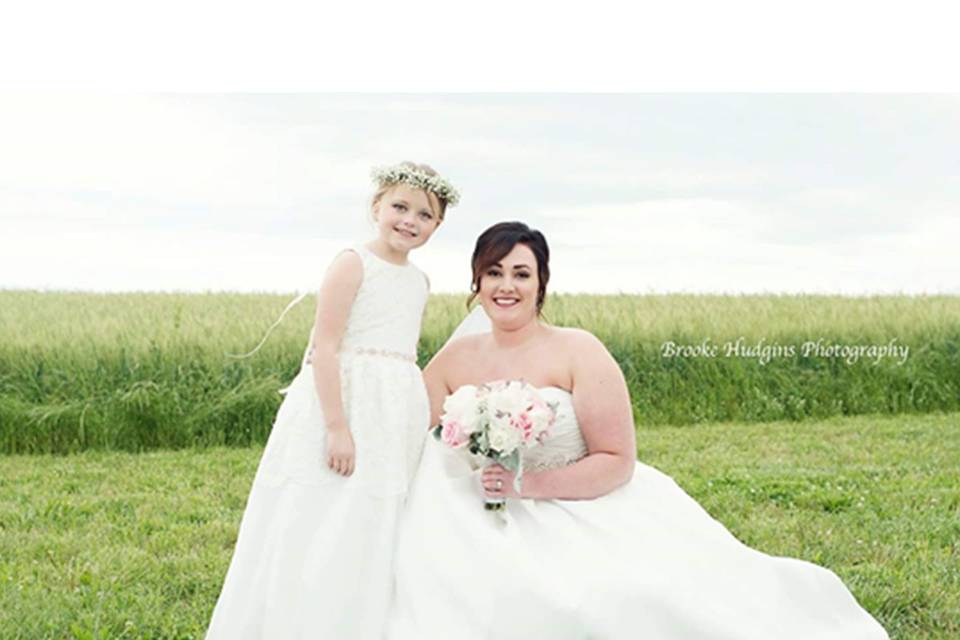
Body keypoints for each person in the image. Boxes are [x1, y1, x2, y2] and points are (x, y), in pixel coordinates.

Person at [386, 221, 889, 639]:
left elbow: (615, 459)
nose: (507, 286)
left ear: (542, 283)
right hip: (485, 509)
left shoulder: (578, 350)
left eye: (522, 273)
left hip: (582, 503)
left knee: (622, 597)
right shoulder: (455, 358)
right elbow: (405, 428)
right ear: (476, 282)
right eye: (493, 272)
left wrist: (527, 485)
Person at [205, 162, 459, 639]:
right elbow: (324, 347)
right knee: (323, 508)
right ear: (376, 207)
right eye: (399, 207)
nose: (409, 221)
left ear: (437, 225)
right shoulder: (352, 262)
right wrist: (337, 426)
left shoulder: (419, 282)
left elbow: (401, 355)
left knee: (375, 513)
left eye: (423, 215)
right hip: (342, 401)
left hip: (391, 409)